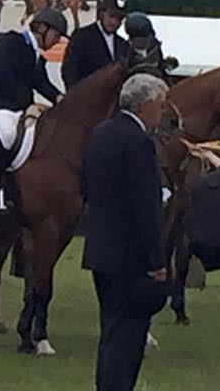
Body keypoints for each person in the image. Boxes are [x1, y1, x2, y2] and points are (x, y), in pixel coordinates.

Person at [81, 74, 169, 391]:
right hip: (132, 257)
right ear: (145, 106)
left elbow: (85, 186)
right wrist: (157, 260)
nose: (162, 113)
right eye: (160, 106)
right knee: (128, 341)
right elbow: (146, 207)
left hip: (101, 250)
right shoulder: (138, 142)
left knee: (111, 332)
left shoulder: (100, 133)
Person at [0, 7, 67, 211]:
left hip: (18, 108)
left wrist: (60, 98)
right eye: (56, 35)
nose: (57, 41)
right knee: (7, 135)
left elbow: (41, 82)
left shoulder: (37, 55)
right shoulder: (11, 41)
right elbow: (3, 76)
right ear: (41, 28)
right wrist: (28, 105)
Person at [61, 0, 129, 90]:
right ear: (102, 13)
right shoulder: (82, 36)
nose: (114, 22)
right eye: (111, 16)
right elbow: (70, 69)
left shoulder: (123, 45)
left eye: (119, 18)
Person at [124, 12, 169, 81]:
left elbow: (163, 71)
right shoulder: (124, 52)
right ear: (131, 39)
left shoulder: (155, 49)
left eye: (146, 39)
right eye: (139, 40)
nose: (143, 43)